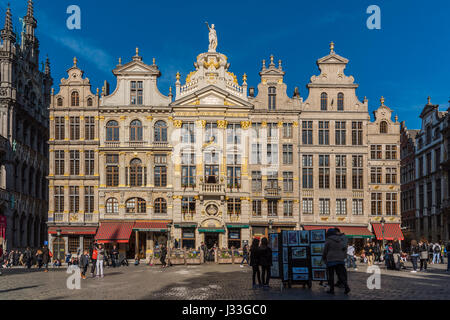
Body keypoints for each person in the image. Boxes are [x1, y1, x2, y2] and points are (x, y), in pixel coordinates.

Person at [322, 228, 350, 295]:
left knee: (331, 275)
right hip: (340, 259)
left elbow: (325, 250)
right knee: (340, 274)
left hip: (331, 259)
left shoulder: (328, 240)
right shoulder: (340, 239)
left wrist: (323, 257)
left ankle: (332, 290)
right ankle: (346, 287)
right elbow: (344, 247)